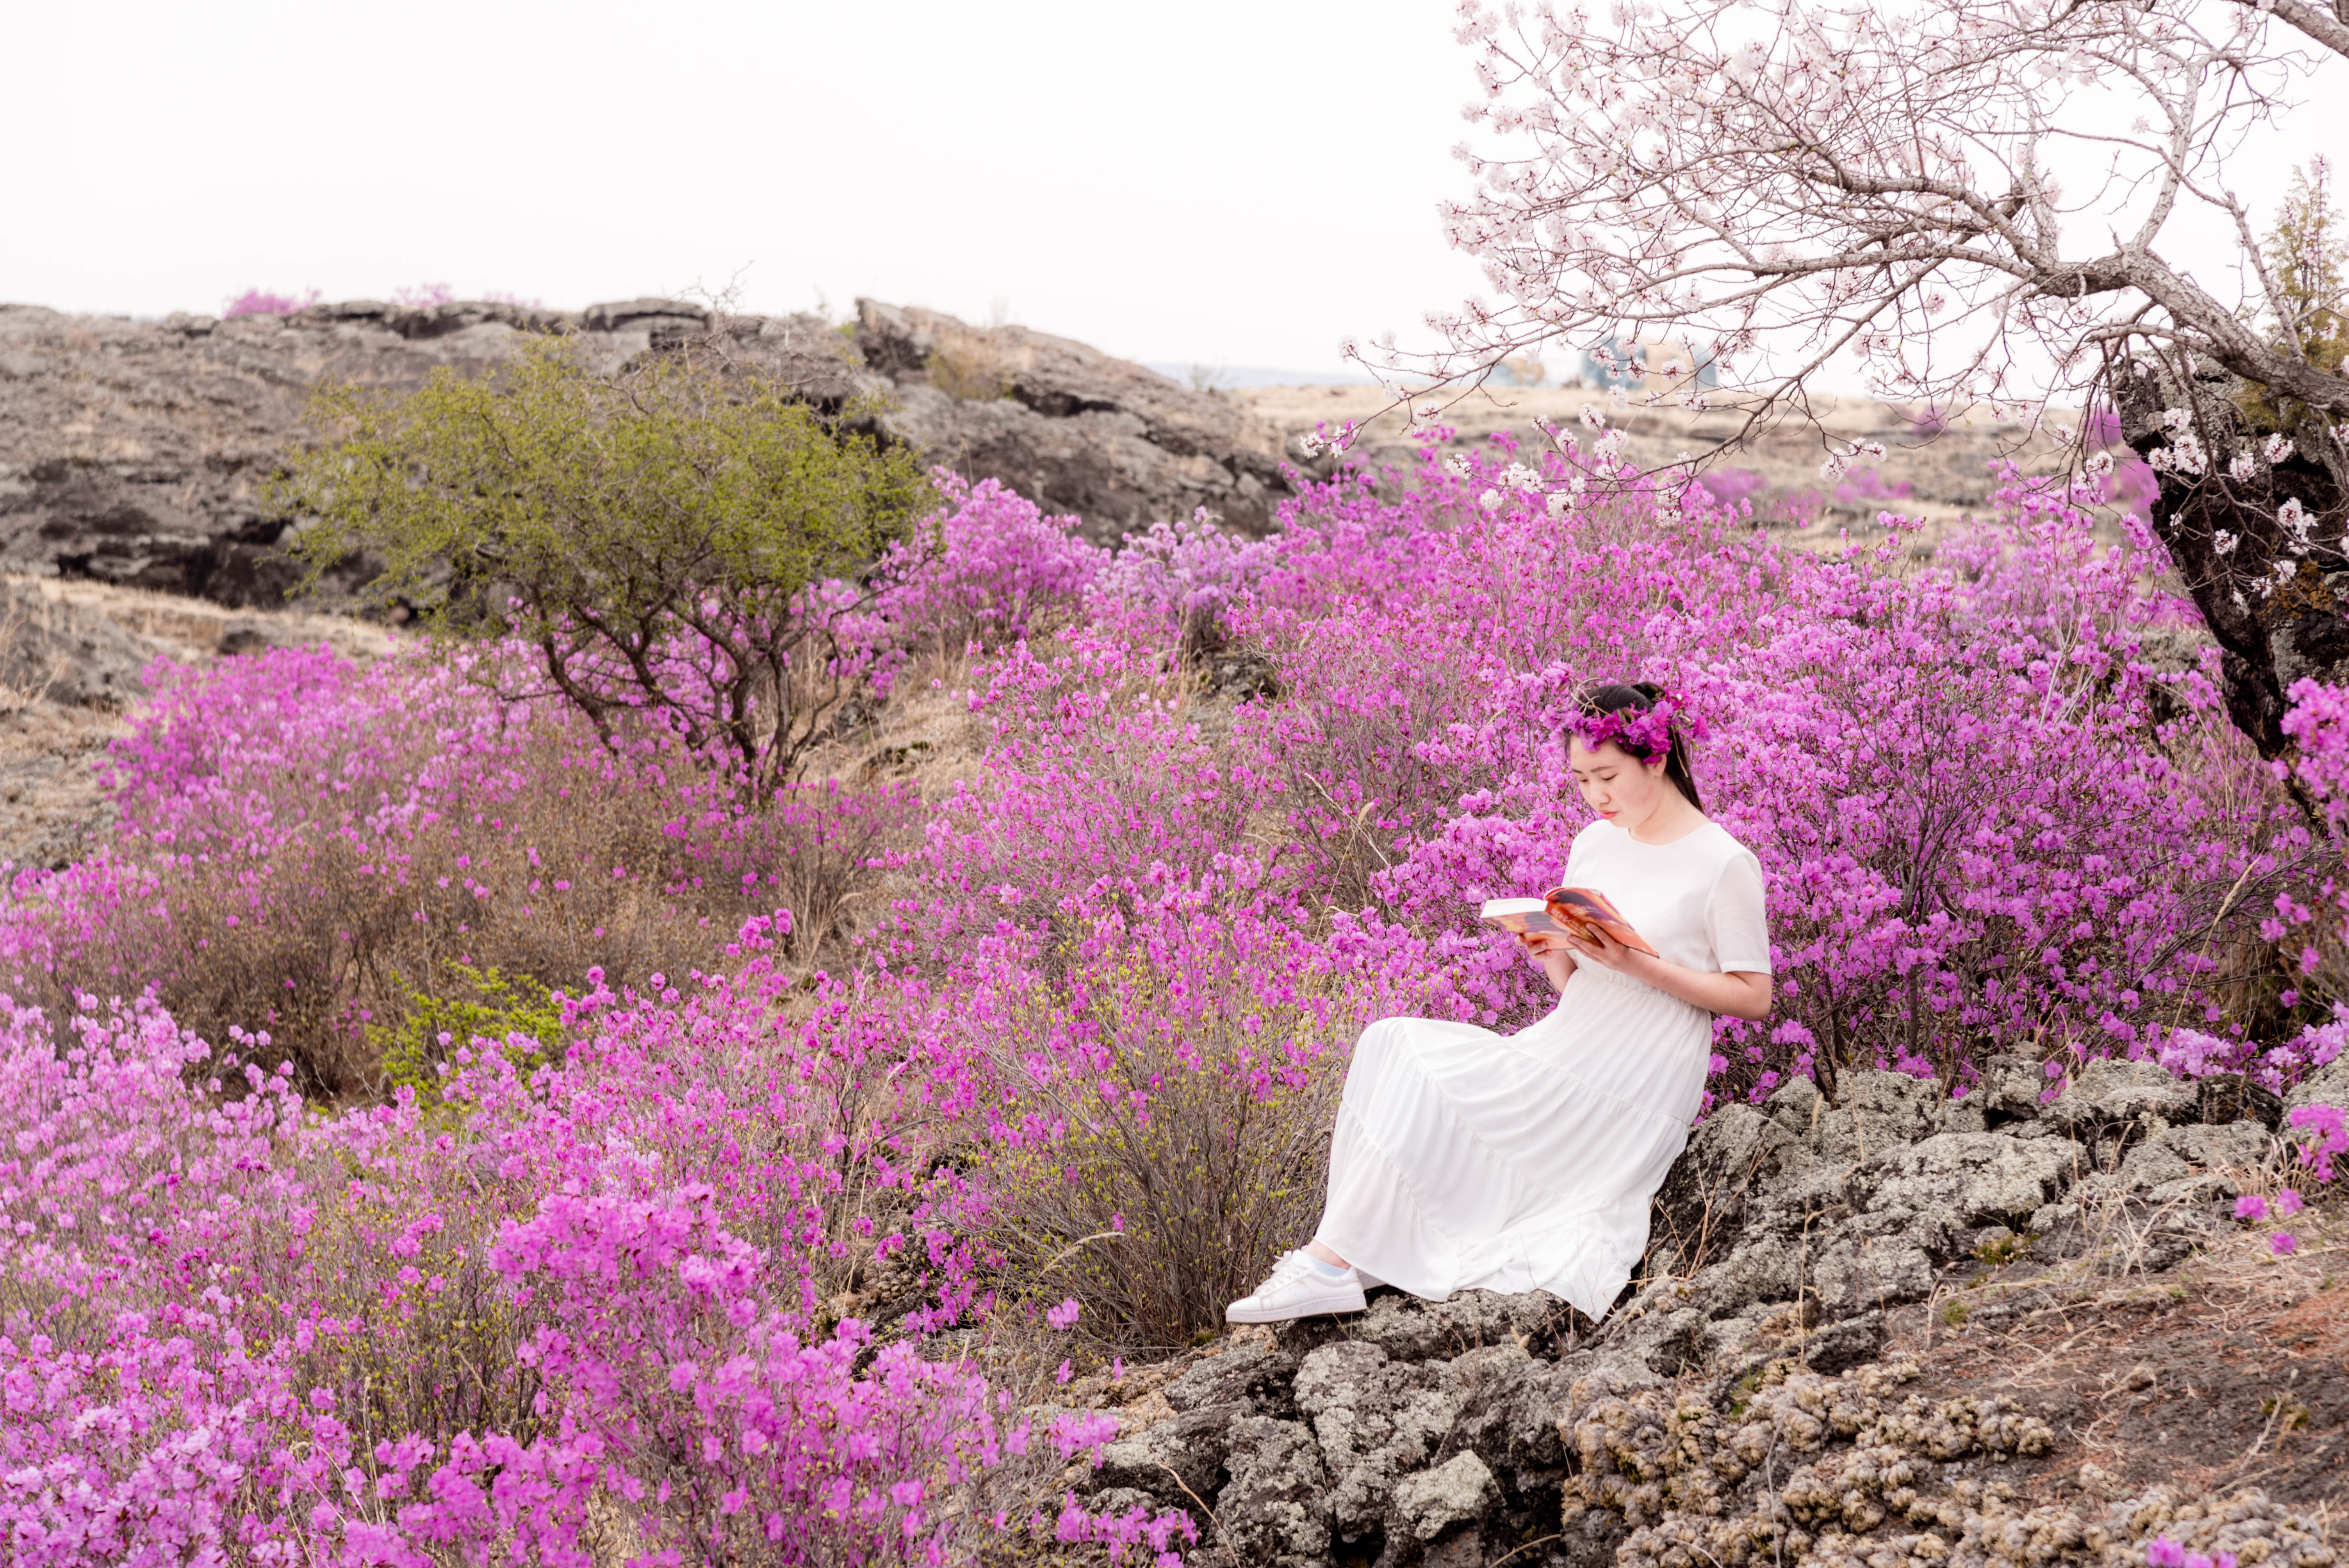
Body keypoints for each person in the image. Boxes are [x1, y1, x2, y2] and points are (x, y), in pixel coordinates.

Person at [1226, 682, 1772, 1324]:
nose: (1595, 796)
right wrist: (1554, 956)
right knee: (1388, 1041)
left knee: (1416, 1059)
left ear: (1655, 759)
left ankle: (1329, 1264)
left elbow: (1753, 996)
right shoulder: (1597, 841)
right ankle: (1337, 1256)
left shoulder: (1722, 862)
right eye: (1580, 780)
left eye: (1607, 776)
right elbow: (1589, 986)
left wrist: (1639, 965)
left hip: (1640, 1074)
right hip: (1573, 1039)